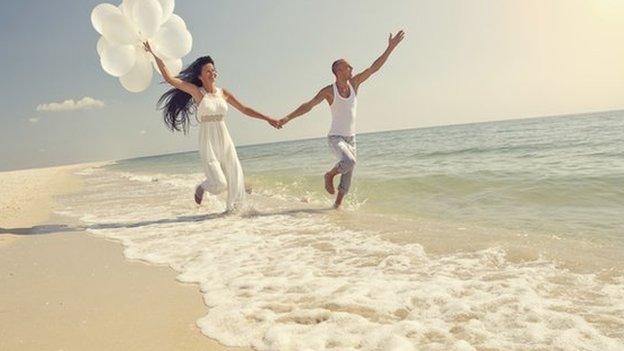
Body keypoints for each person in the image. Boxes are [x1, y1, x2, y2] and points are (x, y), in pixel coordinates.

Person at [143, 42, 281, 212]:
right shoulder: (197, 92)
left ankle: (233, 214)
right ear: (200, 76)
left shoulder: (224, 93)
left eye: (213, 70)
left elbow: (244, 109)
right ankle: (202, 187)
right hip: (208, 140)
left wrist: (267, 118)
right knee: (220, 183)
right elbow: (169, 78)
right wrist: (154, 53)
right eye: (208, 71)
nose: (212, 73)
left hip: (224, 138)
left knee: (235, 176)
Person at [278, 30, 405, 208]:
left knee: (348, 173)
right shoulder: (329, 91)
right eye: (348, 67)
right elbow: (308, 105)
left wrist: (390, 48)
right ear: (338, 70)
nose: (352, 69)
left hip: (351, 138)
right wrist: (287, 118)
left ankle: (336, 207)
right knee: (350, 161)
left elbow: (374, 68)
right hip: (335, 138)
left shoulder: (354, 84)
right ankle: (329, 175)